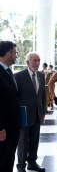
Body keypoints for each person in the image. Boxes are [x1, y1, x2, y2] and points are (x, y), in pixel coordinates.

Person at [15, 52, 46, 172]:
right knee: (22, 142)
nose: (37, 63)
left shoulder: (41, 76)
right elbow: (15, 97)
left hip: (37, 114)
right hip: (24, 114)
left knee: (34, 140)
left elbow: (42, 96)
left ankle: (32, 162)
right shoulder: (18, 76)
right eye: (34, 60)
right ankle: (21, 165)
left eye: (38, 60)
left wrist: (43, 111)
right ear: (27, 62)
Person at [0, 41, 20, 172]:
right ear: (8, 53)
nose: (16, 56)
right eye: (15, 53)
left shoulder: (8, 71)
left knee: (9, 160)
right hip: (3, 129)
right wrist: (0, 128)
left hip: (13, 127)